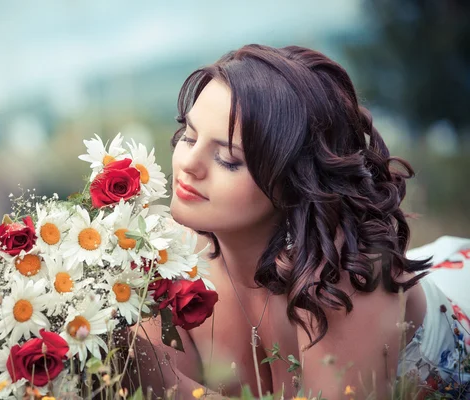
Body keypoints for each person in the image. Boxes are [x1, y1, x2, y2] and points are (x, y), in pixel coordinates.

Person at [129, 44, 470, 399]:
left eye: (229, 159)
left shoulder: (342, 277)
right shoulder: (167, 258)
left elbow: (163, 383)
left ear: (294, 178)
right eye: (189, 136)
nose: (189, 164)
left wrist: (157, 374)